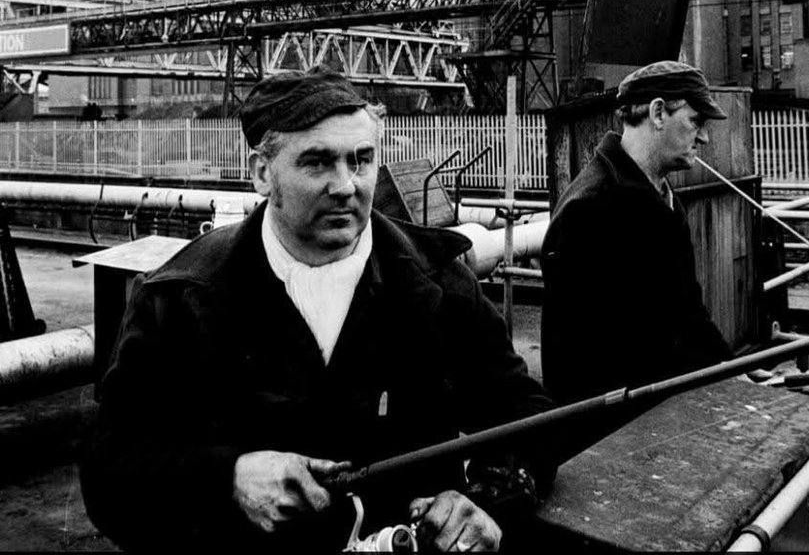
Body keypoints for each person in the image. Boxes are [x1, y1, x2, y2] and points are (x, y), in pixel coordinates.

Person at [81, 70, 553, 552]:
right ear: (262, 173)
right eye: (317, 162)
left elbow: (531, 419)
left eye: (361, 160)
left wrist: (485, 503)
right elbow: (109, 467)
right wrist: (227, 477)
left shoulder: (439, 286)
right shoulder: (180, 299)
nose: (346, 185)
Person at [540, 60, 733, 408]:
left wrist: (731, 370)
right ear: (658, 113)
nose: (704, 137)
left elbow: (688, 313)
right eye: (695, 121)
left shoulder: (663, 199)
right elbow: (592, 363)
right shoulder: (591, 211)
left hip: (660, 411)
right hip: (618, 428)